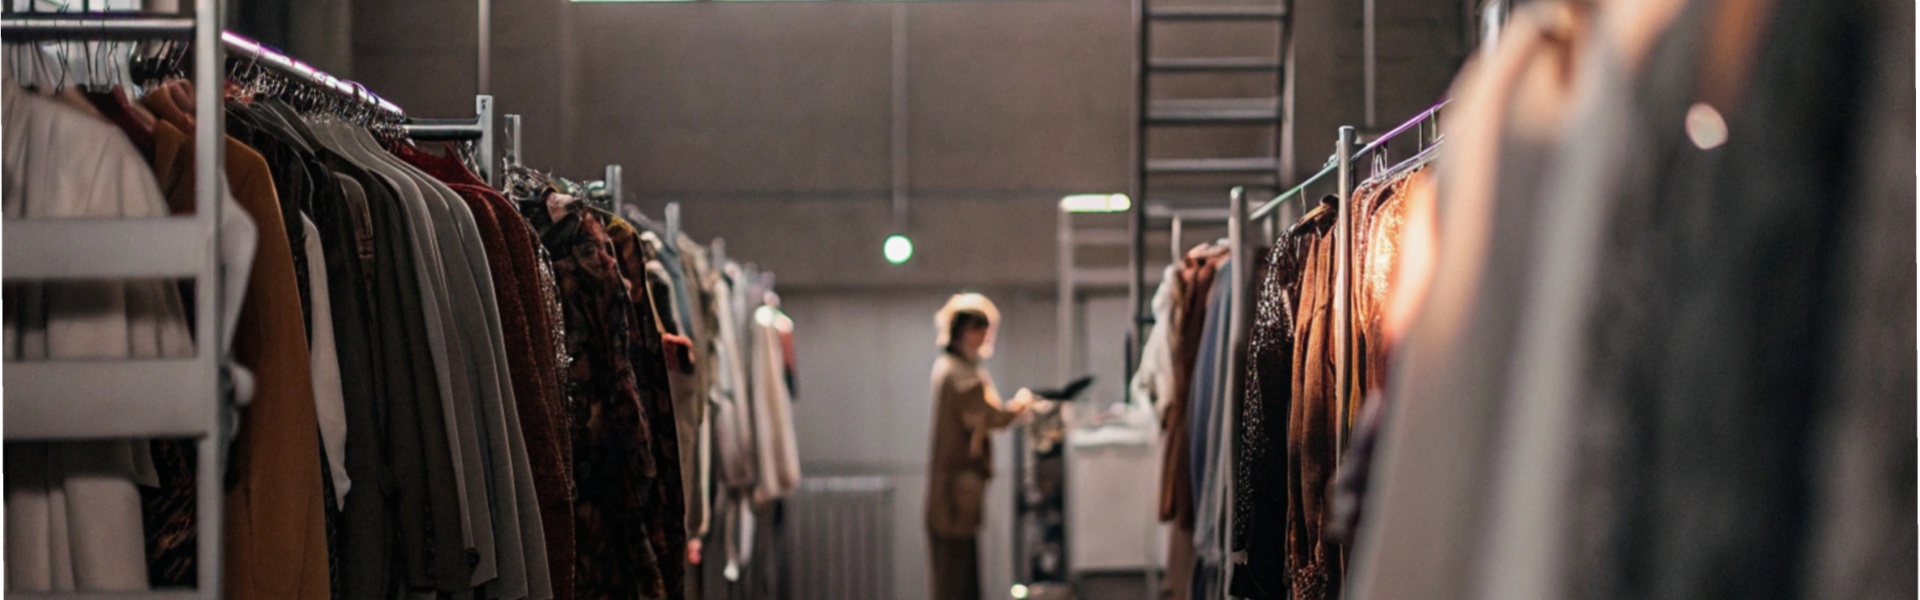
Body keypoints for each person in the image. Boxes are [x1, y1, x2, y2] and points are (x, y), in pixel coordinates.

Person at [924, 293, 1032, 600]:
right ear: (966, 331)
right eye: (981, 329)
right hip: (955, 495)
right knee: (955, 579)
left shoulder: (956, 369)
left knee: (959, 574)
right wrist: (1020, 407)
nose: (985, 337)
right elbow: (990, 415)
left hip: (956, 492)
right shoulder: (959, 374)